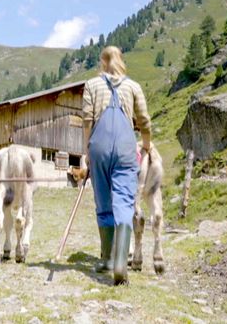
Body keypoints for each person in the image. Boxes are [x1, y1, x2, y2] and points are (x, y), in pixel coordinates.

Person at [81, 46, 152, 285]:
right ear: (121, 61)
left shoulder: (92, 85)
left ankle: (107, 259)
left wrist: (87, 151)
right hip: (125, 146)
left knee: (103, 202)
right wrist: (146, 144)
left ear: (103, 62)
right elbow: (144, 120)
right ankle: (121, 261)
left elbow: (87, 120)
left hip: (98, 145)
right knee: (123, 201)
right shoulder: (133, 87)